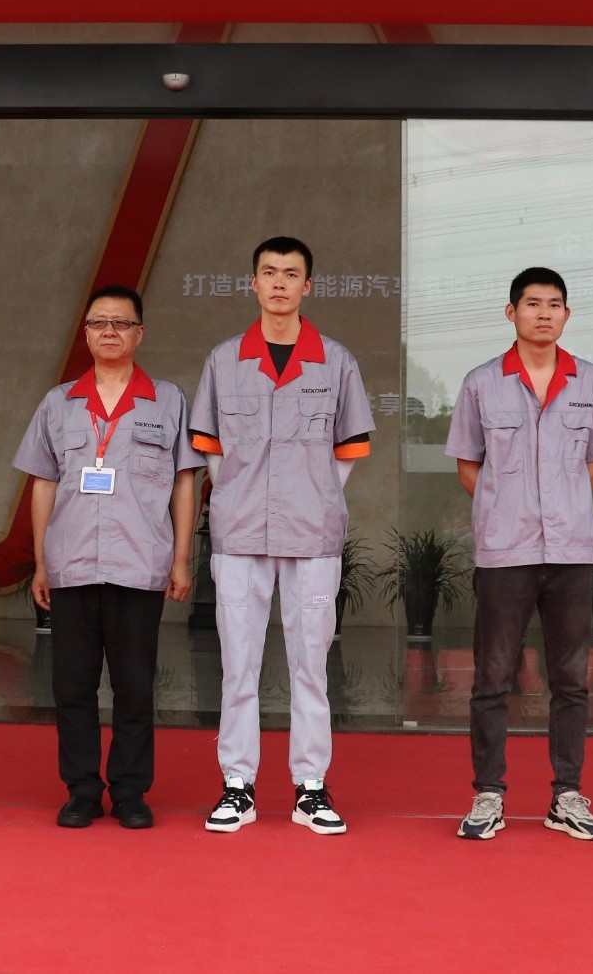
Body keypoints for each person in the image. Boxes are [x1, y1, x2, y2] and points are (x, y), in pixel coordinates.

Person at [190, 237, 374, 835]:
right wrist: (239, 496)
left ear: (307, 286)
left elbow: (347, 451)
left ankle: (310, 787)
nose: (278, 283)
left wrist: (313, 496)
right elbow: (211, 451)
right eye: (268, 272)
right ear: (253, 282)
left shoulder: (336, 361)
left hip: (312, 533)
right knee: (238, 664)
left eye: (291, 274)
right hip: (240, 533)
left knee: (310, 664)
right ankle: (237, 785)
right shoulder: (224, 360)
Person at [14, 285, 203, 829]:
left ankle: (130, 791)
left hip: (139, 564)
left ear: (140, 333)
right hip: (71, 564)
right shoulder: (58, 403)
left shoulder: (168, 400)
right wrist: (42, 563)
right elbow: (43, 483)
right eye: (99, 323)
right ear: (86, 334)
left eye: (121, 323)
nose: (110, 332)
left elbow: (184, 482)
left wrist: (181, 559)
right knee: (71, 686)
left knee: (134, 686)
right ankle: (81, 790)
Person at [443, 267, 593, 841]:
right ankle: (488, 795)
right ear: (511, 312)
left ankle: (566, 795)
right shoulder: (481, 383)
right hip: (505, 552)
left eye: (554, 304)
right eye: (532, 304)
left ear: (566, 315)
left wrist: (560, 509)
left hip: (571, 552)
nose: (544, 313)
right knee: (493, 677)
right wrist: (506, 507)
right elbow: (468, 466)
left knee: (571, 679)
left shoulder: (588, 380)